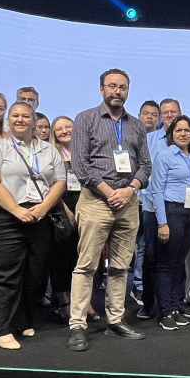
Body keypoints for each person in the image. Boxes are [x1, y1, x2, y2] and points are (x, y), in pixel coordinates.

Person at [67, 68, 152, 351]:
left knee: (120, 266)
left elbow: (145, 166)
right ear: (102, 89)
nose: (118, 91)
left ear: (128, 91)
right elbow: (80, 165)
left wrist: (130, 190)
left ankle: (115, 320)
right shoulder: (85, 119)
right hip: (95, 201)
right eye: (112, 86)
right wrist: (108, 192)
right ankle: (77, 325)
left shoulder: (137, 125)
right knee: (86, 265)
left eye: (123, 87)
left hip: (127, 203)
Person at [0, 102, 66, 349]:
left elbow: (59, 182)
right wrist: (17, 210)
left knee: (34, 273)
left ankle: (22, 320)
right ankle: (3, 328)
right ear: (8, 120)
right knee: (4, 275)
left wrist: (42, 208)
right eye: (15, 115)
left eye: (25, 116)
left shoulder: (49, 149)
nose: (20, 119)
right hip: (6, 217)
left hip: (39, 217)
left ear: (34, 120)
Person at [151, 115, 190, 330]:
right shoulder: (165, 156)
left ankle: (175, 306)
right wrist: (162, 223)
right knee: (166, 265)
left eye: (187, 130)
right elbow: (156, 191)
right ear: (171, 134)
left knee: (179, 263)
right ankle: (165, 312)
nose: (183, 134)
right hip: (172, 212)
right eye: (178, 130)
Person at [141, 97, 185, 316]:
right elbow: (142, 169)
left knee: (176, 259)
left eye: (173, 111)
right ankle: (149, 304)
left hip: (179, 209)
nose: (170, 115)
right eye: (165, 112)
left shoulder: (188, 141)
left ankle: (175, 302)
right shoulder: (149, 139)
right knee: (151, 257)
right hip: (152, 207)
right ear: (160, 115)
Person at [50, 115, 94, 322]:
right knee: (63, 259)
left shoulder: (87, 152)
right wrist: (66, 211)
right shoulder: (52, 153)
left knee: (85, 258)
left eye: (68, 126)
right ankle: (64, 302)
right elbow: (50, 185)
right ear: (54, 134)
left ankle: (85, 302)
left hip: (88, 208)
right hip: (62, 210)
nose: (64, 131)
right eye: (59, 129)